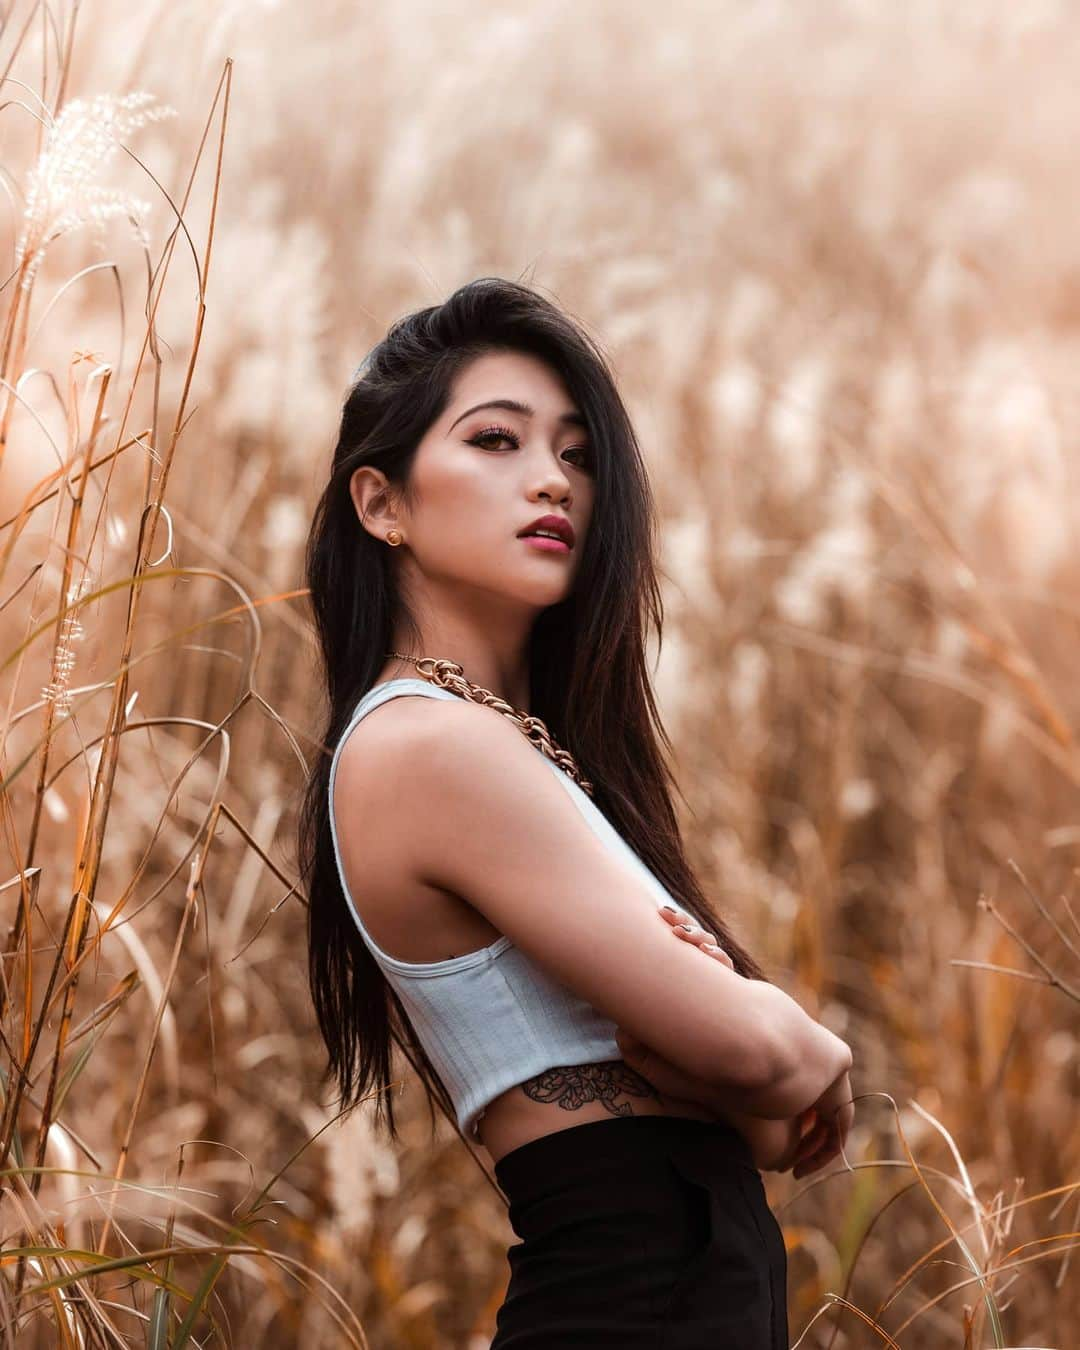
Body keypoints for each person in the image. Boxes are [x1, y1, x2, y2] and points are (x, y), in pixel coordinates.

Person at [298, 276, 855, 1347]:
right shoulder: (430, 746)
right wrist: (804, 1039)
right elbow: (769, 1068)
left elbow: (770, 1125)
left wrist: (758, 1045)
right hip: (625, 1305)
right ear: (383, 505)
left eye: (577, 453)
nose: (552, 479)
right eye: (496, 442)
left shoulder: (509, 744)